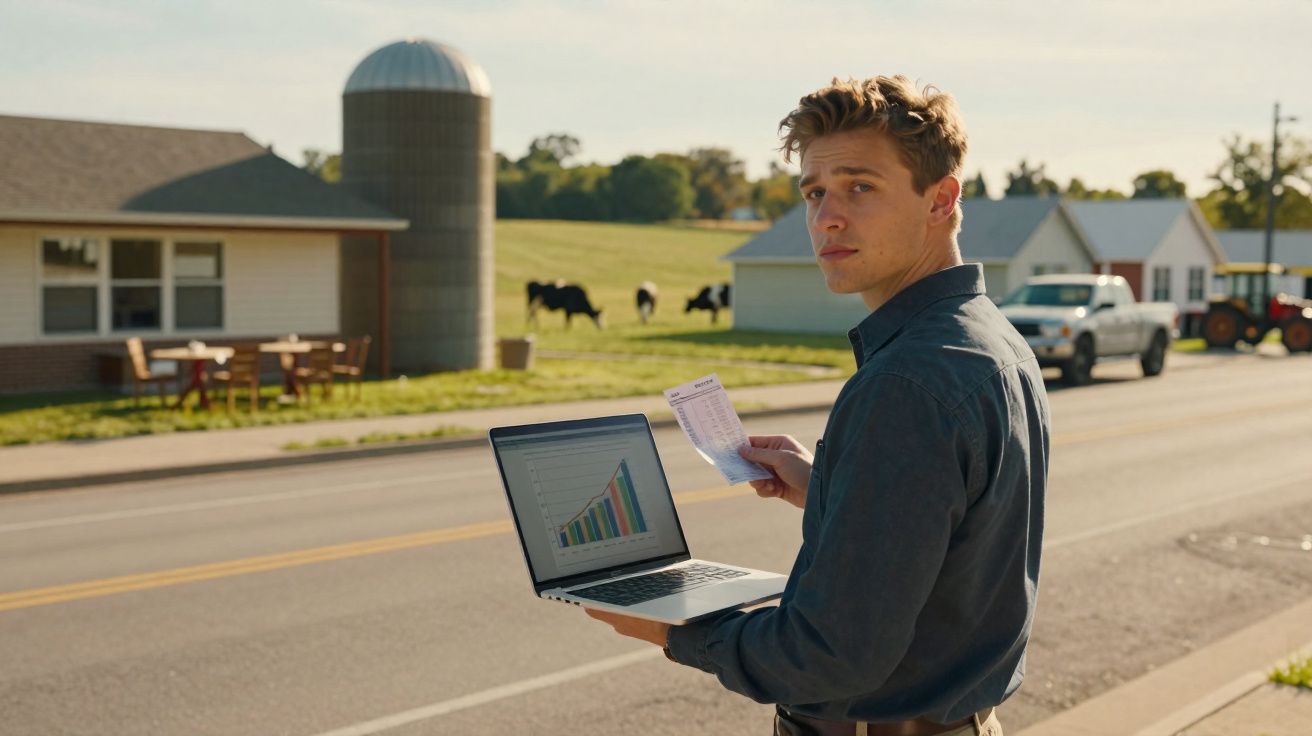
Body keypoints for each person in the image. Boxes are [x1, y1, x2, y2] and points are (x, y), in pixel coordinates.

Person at [587, 75, 1049, 736]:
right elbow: (958, 530)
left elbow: (831, 656)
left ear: (940, 199)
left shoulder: (908, 381)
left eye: (861, 187)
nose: (828, 216)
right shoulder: (989, 339)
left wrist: (679, 630)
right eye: (814, 192)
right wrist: (829, 488)